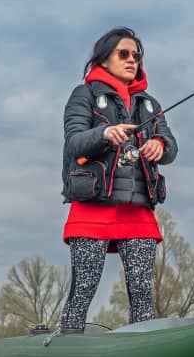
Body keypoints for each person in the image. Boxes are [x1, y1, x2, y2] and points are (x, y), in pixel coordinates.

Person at [58, 27, 178, 332]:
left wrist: (159, 145)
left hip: (138, 211)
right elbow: (74, 142)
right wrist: (105, 133)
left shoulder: (149, 104)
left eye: (136, 55)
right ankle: (68, 341)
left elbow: (171, 147)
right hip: (92, 210)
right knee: (83, 288)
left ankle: (143, 347)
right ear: (104, 59)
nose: (131, 60)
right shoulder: (84, 95)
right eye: (123, 53)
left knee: (142, 292)